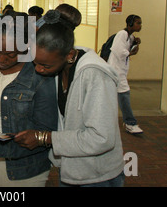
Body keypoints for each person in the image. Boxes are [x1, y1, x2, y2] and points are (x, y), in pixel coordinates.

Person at [15, 10, 125, 187]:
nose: (38, 70)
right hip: (71, 170)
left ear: (69, 55)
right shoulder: (58, 70)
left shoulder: (95, 75)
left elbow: (102, 138)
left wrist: (45, 138)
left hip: (98, 177)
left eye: (45, 65)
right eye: (35, 63)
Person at [0, 12, 58, 187]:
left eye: (10, 54)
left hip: (21, 169)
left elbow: (46, 135)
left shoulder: (39, 78)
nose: (1, 59)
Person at [108, 14, 143, 134]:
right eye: (138, 23)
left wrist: (136, 42)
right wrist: (130, 52)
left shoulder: (130, 36)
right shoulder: (122, 34)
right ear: (130, 24)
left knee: (111, 95)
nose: (140, 26)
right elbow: (118, 51)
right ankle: (130, 123)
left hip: (120, 70)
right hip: (115, 70)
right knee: (124, 94)